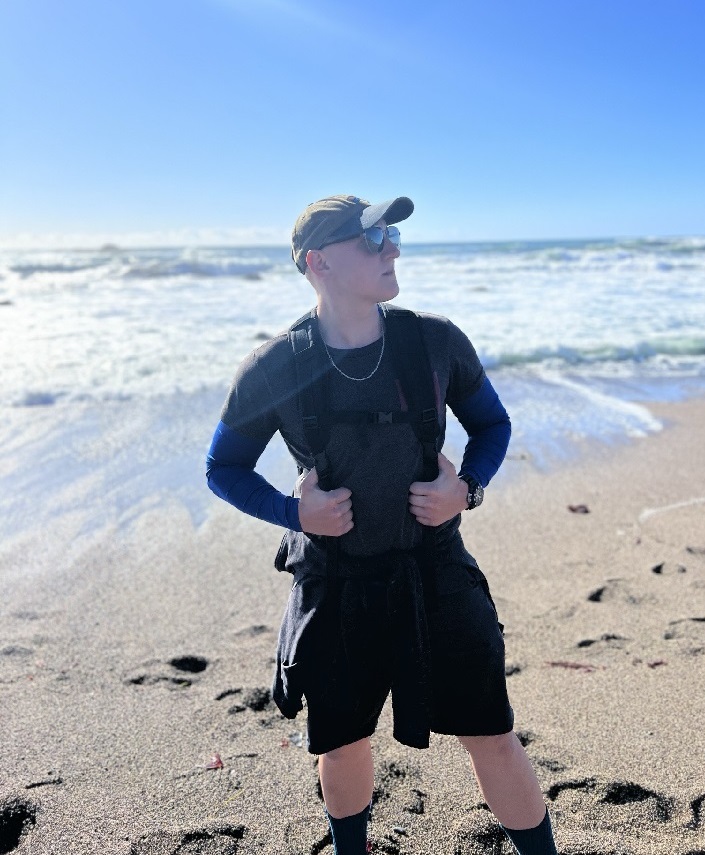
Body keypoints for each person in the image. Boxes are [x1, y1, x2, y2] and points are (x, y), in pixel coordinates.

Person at [206, 195, 557, 855]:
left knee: (491, 730)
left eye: (392, 235)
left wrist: (466, 489)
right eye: (373, 240)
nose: (392, 248)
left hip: (435, 565)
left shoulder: (435, 342)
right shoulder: (276, 366)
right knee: (341, 742)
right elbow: (222, 466)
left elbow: (493, 425)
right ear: (320, 262)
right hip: (335, 579)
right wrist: (295, 512)